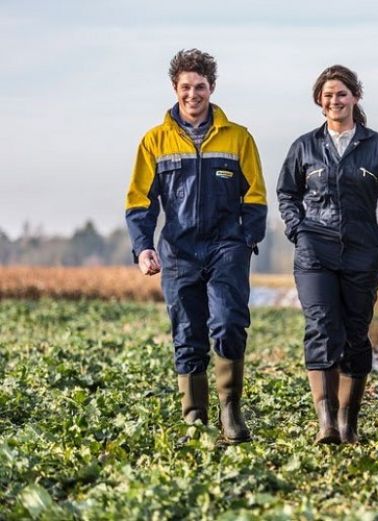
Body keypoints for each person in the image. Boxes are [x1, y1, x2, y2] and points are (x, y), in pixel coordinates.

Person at [125, 49, 267, 443]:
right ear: (175, 88)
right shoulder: (154, 141)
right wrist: (143, 246)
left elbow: (255, 196)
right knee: (187, 333)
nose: (193, 94)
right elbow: (140, 201)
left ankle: (230, 412)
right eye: (185, 87)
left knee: (229, 323)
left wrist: (247, 240)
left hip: (226, 247)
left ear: (212, 88)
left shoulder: (239, 138)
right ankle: (195, 419)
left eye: (200, 86)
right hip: (178, 251)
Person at [277, 65, 378, 444]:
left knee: (355, 334)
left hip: (361, 253)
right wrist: (298, 230)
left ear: (355, 97)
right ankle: (326, 424)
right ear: (320, 101)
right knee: (321, 327)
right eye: (328, 95)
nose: (335, 101)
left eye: (341, 94)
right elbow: (287, 193)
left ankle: (348, 425)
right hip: (314, 252)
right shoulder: (304, 147)